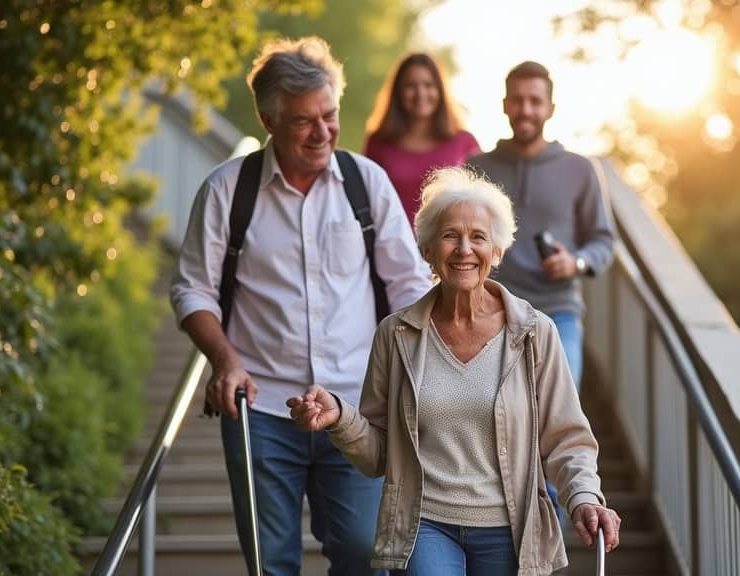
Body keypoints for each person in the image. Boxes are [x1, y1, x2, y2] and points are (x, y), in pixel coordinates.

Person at [169, 36, 433, 576]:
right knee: (270, 563)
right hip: (260, 409)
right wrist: (225, 359)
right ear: (268, 120)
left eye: (329, 115)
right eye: (303, 121)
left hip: (358, 406)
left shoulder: (367, 183)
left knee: (367, 552)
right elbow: (192, 288)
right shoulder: (226, 190)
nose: (322, 132)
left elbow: (407, 285)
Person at [287, 167, 622, 576]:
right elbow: (378, 454)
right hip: (425, 524)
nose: (464, 249)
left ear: (497, 252)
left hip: (509, 528)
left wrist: (585, 496)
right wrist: (340, 418)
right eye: (450, 236)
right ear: (428, 250)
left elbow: (567, 438)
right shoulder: (396, 335)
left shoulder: (536, 333)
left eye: (478, 237)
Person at [467, 61, 614, 390]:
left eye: (535, 101)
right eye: (517, 100)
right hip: (488, 313)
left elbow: (603, 241)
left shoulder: (581, 169)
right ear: (505, 105)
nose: (526, 109)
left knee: (560, 417)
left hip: (558, 313)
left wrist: (575, 262)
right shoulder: (476, 168)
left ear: (550, 108)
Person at [364, 53, 480, 224]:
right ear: (398, 93)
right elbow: (365, 201)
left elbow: (481, 204)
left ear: (440, 90)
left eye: (428, 85)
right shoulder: (378, 143)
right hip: (391, 246)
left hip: (450, 248)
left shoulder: (464, 142)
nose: (421, 93)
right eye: (410, 86)